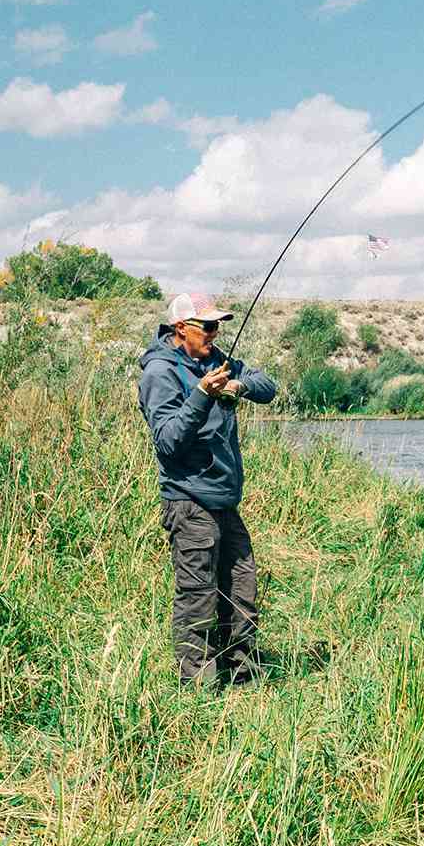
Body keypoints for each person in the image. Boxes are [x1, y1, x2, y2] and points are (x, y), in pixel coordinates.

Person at [137, 293, 279, 686]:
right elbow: (167, 440)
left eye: (219, 326)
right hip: (188, 500)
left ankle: (244, 679)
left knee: (242, 591)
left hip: (225, 501)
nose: (216, 334)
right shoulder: (160, 373)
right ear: (181, 328)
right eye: (208, 326)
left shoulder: (218, 361)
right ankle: (198, 688)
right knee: (197, 597)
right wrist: (202, 394)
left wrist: (235, 383)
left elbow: (267, 386)